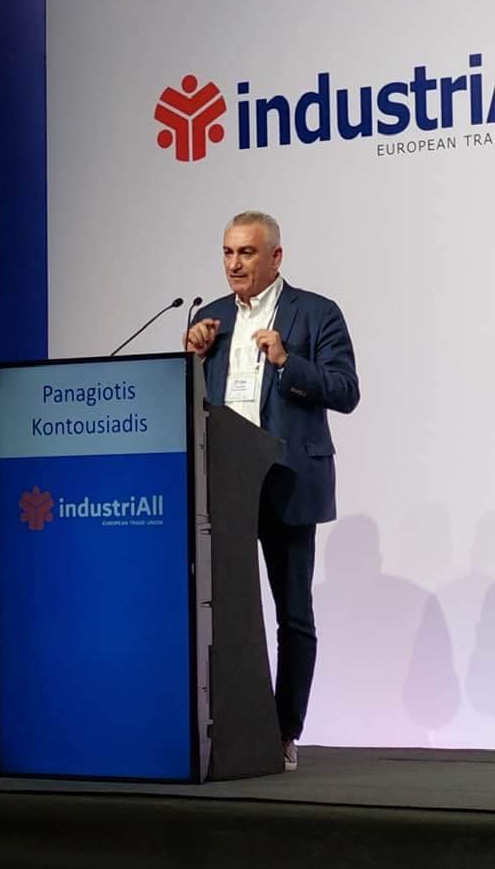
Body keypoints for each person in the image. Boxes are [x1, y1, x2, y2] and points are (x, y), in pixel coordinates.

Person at [186, 211, 359, 771]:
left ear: (275, 257)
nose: (234, 264)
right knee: (219, 614)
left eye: (247, 253)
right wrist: (190, 358)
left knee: (293, 615)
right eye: (228, 252)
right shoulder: (211, 319)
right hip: (223, 483)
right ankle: (226, 726)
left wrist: (288, 361)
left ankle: (285, 730)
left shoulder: (316, 312)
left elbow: (346, 390)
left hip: (286, 479)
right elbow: (195, 403)